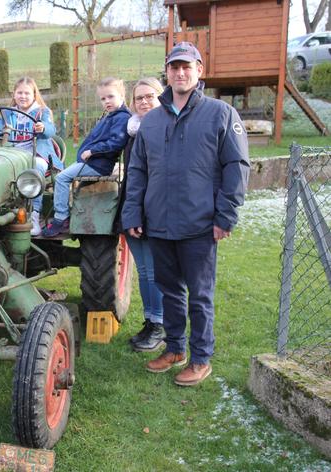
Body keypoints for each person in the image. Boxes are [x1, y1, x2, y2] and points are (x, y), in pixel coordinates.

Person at [121, 42, 250, 386]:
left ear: (199, 70)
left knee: (200, 294)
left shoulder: (220, 114)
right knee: (170, 292)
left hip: (200, 225)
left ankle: (201, 357)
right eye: (174, 66)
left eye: (186, 66)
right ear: (167, 72)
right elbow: (137, 171)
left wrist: (226, 217)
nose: (180, 72)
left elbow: (236, 167)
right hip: (159, 223)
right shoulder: (151, 122)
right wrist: (132, 213)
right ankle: (175, 348)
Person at [41, 77, 131, 238]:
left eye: (111, 96)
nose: (106, 101)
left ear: (122, 96)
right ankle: (65, 212)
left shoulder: (121, 118)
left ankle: (61, 218)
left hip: (98, 164)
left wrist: (93, 151)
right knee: (64, 176)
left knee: (61, 178)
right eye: (103, 99)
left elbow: (116, 142)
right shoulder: (111, 115)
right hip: (93, 162)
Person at [0, 77, 63, 236]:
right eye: (19, 92)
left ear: (34, 94)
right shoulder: (9, 113)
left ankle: (34, 215)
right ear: (14, 94)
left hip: (38, 155)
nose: (23, 96)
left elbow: (51, 130)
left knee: (34, 168)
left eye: (27, 93)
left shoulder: (41, 112)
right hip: (15, 155)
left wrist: (43, 128)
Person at [118, 77, 166, 352]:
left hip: (154, 209)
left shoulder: (165, 128)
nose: (145, 102)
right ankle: (150, 321)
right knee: (146, 271)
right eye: (139, 98)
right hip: (132, 207)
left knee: (157, 271)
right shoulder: (132, 130)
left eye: (150, 96)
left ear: (161, 97)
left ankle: (160, 325)